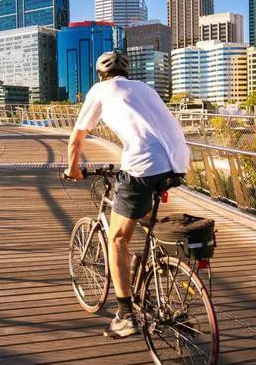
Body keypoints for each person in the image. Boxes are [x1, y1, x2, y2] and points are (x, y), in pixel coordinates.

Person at [64, 50, 190, 339]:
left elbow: (77, 138)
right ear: (127, 73)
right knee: (142, 215)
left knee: (117, 239)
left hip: (144, 166)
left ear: (100, 74)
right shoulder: (144, 88)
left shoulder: (100, 90)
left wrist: (73, 170)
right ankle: (156, 263)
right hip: (178, 162)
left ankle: (124, 315)